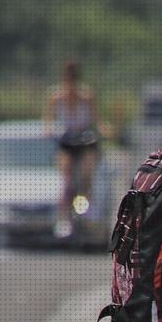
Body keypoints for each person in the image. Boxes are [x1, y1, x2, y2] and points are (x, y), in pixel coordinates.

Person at [42, 60, 97, 239]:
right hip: (66, 139)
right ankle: (63, 217)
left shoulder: (87, 96)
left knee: (86, 172)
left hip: (83, 138)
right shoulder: (56, 96)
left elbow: (94, 120)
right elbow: (48, 120)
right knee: (65, 177)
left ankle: (86, 206)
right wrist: (48, 130)